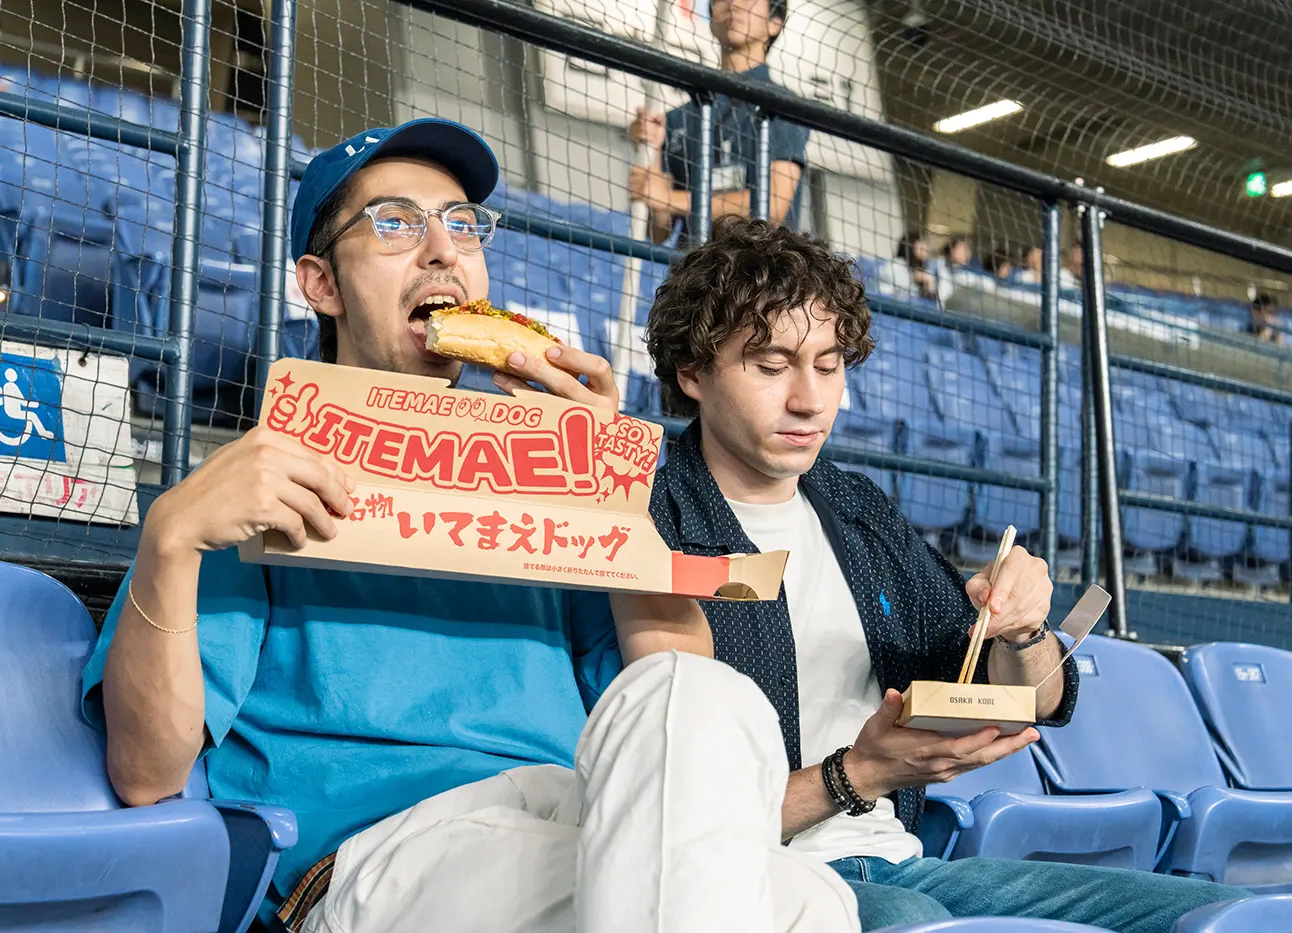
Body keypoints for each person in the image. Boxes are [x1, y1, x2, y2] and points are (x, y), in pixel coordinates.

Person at [82, 119, 860, 933]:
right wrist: (169, 536)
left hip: (569, 810)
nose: (441, 250)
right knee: (783, 906)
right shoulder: (263, 477)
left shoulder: (547, 473)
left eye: (461, 224)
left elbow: (670, 687)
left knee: (802, 879)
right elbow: (145, 773)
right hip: (371, 853)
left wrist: (609, 492)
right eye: (393, 224)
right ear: (321, 284)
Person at [644, 218, 1251, 932]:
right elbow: (673, 822)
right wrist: (857, 773)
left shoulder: (857, 509)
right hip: (757, 872)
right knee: (914, 916)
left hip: (901, 860)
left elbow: (1033, 697)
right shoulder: (655, 522)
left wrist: (1022, 630)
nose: (810, 399)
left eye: (830, 363)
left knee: (1216, 908)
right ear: (692, 372)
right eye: (772, 366)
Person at [627, 0, 808, 242]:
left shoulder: (784, 106)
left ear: (775, 24)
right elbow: (659, 232)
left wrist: (670, 200)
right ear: (711, 18)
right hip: (694, 273)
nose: (734, 4)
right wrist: (653, 155)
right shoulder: (678, 118)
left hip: (762, 271)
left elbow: (773, 206)